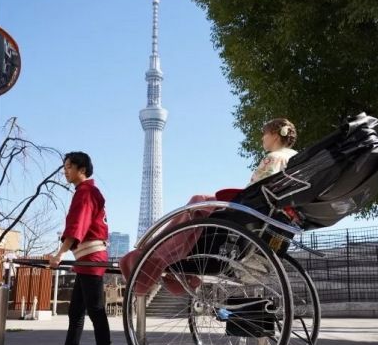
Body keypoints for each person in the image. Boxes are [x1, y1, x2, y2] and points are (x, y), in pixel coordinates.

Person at [119, 118, 298, 294]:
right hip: (274, 216)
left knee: (198, 201)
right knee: (201, 202)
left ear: (275, 135)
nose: (262, 138)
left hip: (251, 212)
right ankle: (166, 249)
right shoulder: (294, 158)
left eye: (265, 134)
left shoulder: (274, 158)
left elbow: (253, 191)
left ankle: (159, 251)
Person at [35, 152, 111, 345]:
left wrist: (59, 254)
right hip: (85, 258)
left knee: (96, 312)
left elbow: (78, 225)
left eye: (68, 166)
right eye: (64, 166)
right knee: (76, 312)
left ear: (82, 169)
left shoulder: (86, 192)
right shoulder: (86, 191)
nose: (64, 171)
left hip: (91, 258)